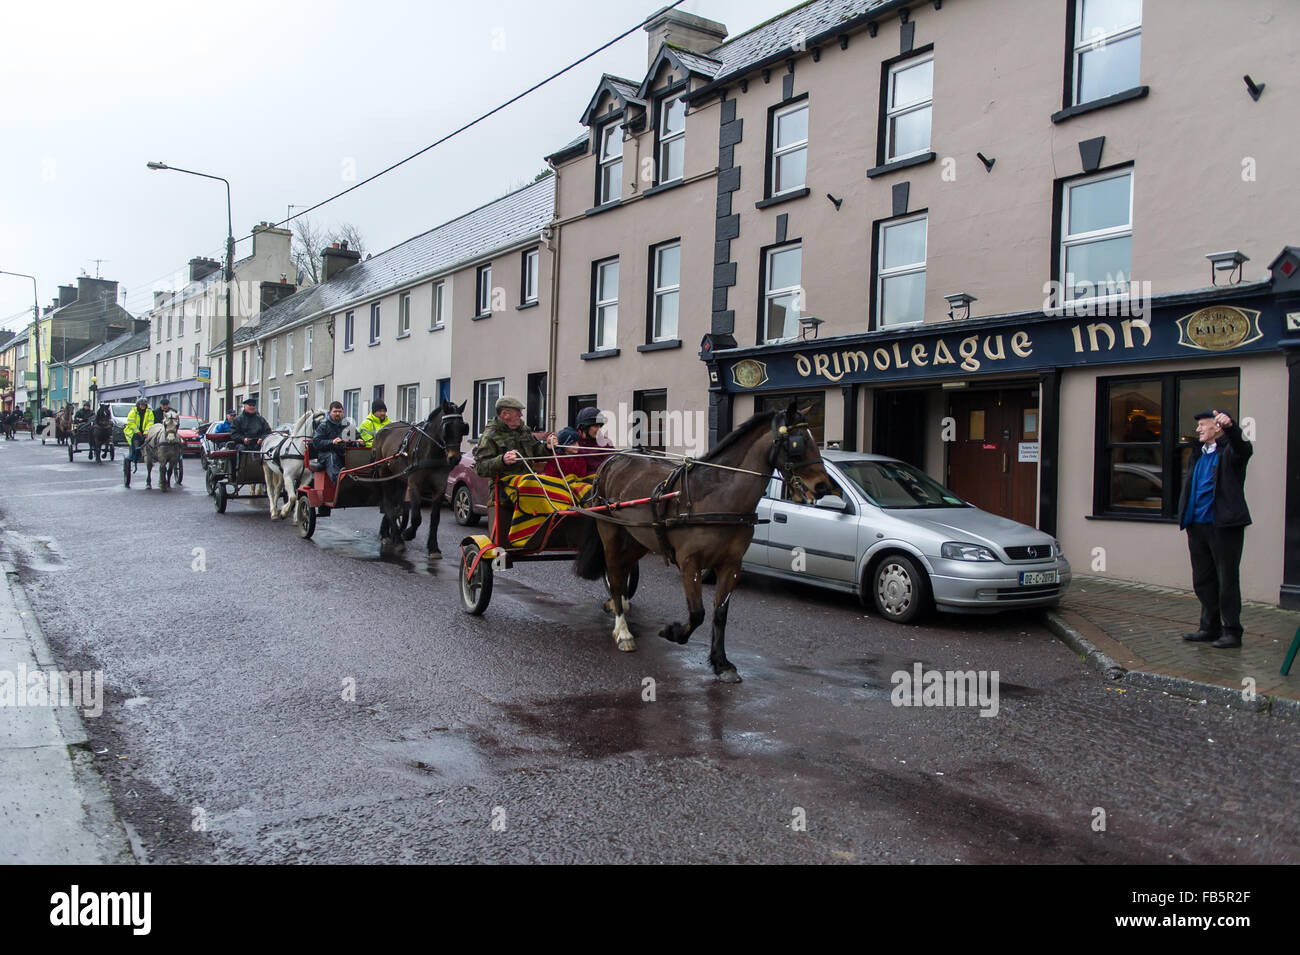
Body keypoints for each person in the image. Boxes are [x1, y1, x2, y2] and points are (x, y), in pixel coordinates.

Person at [1179, 409, 1252, 649]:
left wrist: (1232, 428)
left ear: (1217, 427)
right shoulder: (1198, 454)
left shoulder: (1230, 452)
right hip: (1197, 526)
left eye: (1202, 424)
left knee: (1227, 580)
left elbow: (1244, 448)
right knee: (1203, 580)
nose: (1198, 429)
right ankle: (1209, 628)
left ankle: (1232, 632)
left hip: (1223, 527)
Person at [473, 396, 557, 479]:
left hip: (526, 483)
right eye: (517, 412)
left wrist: (548, 447)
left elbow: (536, 451)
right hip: (504, 488)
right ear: (504, 414)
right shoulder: (490, 436)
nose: (521, 415)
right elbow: (480, 468)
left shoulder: (524, 430)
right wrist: (502, 460)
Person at [311, 401, 349, 482]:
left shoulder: (348, 426)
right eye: (335, 411)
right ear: (329, 412)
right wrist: (332, 442)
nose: (337, 414)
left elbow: (357, 436)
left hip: (343, 453)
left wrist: (360, 441)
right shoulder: (323, 426)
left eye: (340, 411)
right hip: (325, 454)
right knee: (332, 456)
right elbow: (316, 442)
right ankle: (340, 481)